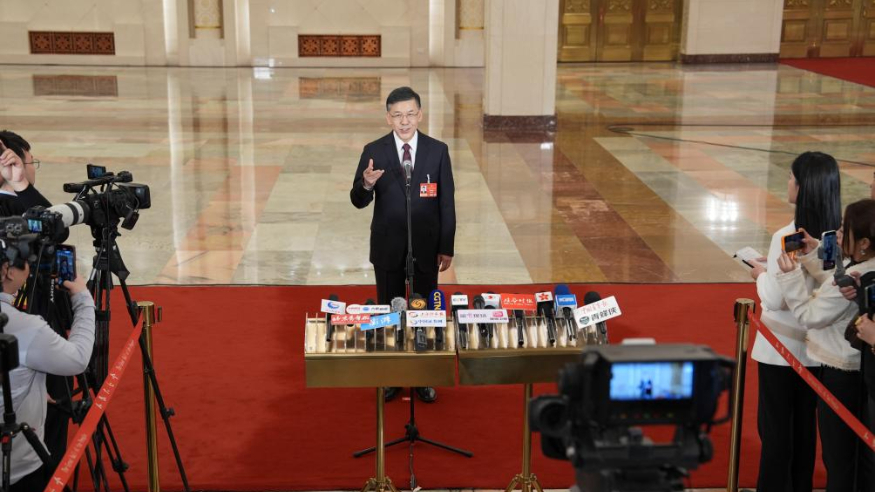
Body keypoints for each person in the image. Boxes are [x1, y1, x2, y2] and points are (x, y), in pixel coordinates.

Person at [350, 86, 456, 403]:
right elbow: (357, 200)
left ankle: (422, 376)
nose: (404, 121)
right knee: (390, 311)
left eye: (410, 114)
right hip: (388, 248)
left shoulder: (437, 151)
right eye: (397, 115)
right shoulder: (375, 151)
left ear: (420, 115)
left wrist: (446, 245)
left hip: (425, 249)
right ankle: (392, 375)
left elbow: (447, 203)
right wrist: (366, 184)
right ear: (388, 118)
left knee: (424, 313)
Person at [748, 151, 840, 492]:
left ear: (803, 187)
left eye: (791, 177)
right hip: (819, 349)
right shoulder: (835, 235)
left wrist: (760, 274)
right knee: (805, 432)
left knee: (775, 432)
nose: (787, 182)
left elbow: (774, 298)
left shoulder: (786, 236)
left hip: (780, 349)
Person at [777, 198, 875, 492]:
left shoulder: (858, 276)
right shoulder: (862, 270)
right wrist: (814, 253)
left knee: (839, 457)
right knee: (862, 456)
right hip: (862, 371)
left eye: (844, 231)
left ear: (864, 243)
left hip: (841, 374)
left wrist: (790, 276)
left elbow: (809, 315)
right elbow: (835, 279)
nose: (838, 235)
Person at [0, 235, 94, 491]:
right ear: (8, 271)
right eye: (27, 261)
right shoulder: (25, 326)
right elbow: (77, 359)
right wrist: (83, 300)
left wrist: (31, 390)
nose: (31, 268)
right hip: (18, 469)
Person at [0, 131, 51, 216]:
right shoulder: (22, 210)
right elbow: (53, 222)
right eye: (31, 162)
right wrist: (20, 183)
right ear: (14, 164)